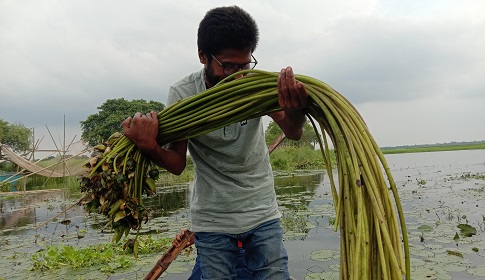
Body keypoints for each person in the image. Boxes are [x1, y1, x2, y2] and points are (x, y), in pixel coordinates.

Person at [123, 5, 308, 279]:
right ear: (203, 56)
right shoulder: (184, 94)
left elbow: (293, 132)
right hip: (213, 218)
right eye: (228, 65)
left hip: (261, 211)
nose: (237, 74)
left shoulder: (256, 85)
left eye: (244, 64)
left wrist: (295, 110)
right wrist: (148, 146)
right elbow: (176, 164)